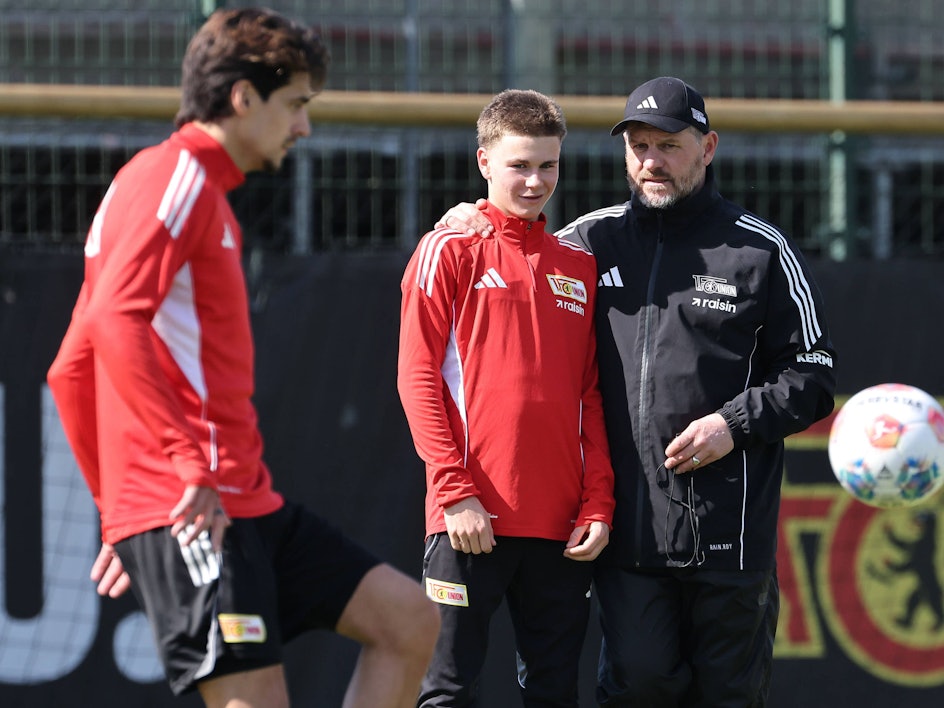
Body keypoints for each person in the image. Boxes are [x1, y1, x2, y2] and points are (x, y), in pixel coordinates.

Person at [46, 8, 439, 707]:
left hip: (240, 502)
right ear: (242, 97)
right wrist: (167, 478)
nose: (303, 127)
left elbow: (70, 366)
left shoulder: (194, 191)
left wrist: (117, 512)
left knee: (409, 622)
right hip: (194, 509)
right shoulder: (177, 181)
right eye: (295, 104)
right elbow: (111, 322)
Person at [438, 76, 837, 706]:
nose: (651, 161)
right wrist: (471, 216)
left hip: (730, 537)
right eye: (639, 146)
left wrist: (730, 424)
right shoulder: (586, 242)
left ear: (707, 148)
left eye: (669, 146)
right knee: (638, 686)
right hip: (627, 535)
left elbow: (813, 376)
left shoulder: (761, 251)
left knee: (729, 696)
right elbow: (515, 250)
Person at [397, 89, 615, 707]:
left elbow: (589, 395)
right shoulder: (449, 248)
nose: (535, 180)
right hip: (469, 520)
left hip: (561, 527)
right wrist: (454, 491)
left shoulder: (578, 264)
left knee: (553, 693)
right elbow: (417, 379)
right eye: (520, 164)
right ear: (484, 162)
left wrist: (597, 502)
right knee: (446, 691)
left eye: (548, 165)